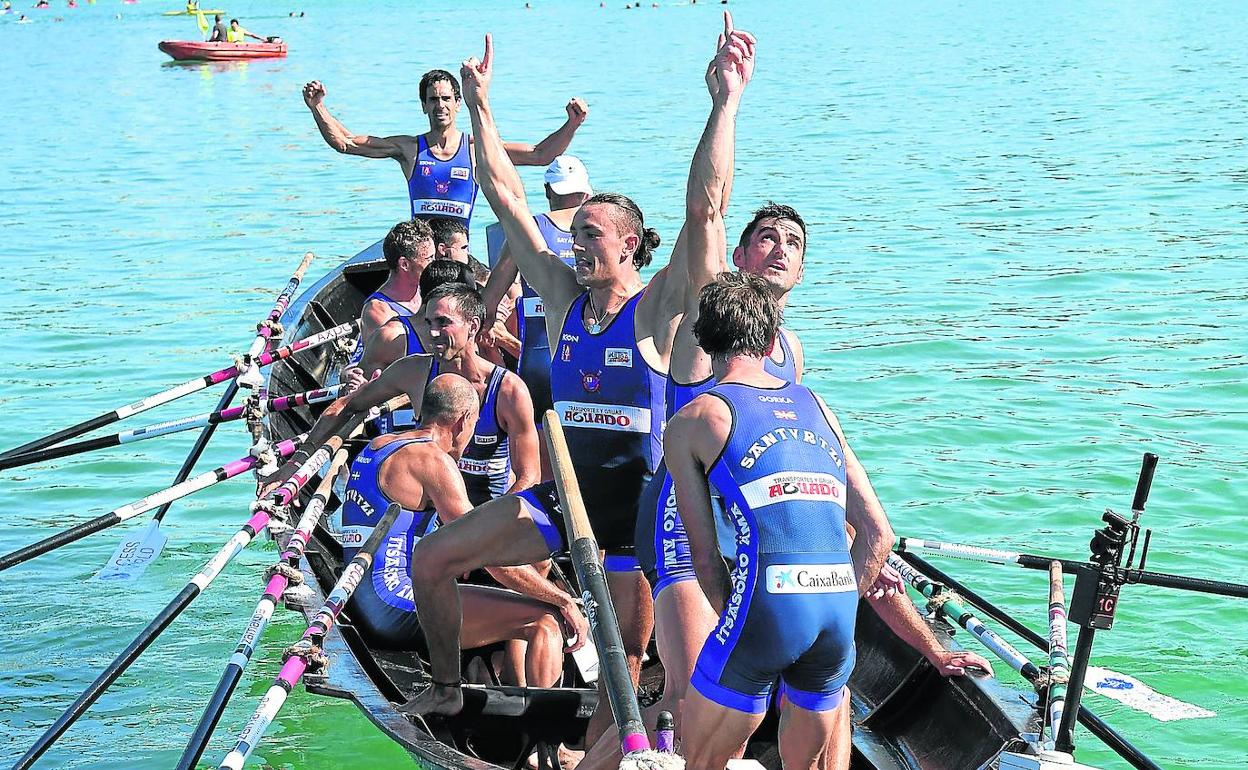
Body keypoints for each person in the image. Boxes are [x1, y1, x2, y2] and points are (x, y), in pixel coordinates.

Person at [401, 34, 695, 723]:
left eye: (590, 234)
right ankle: (447, 686)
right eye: (575, 233)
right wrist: (480, 103)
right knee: (433, 562)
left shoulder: (657, 310)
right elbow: (503, 194)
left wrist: (724, 104)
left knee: (623, 666)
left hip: (632, 524)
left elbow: (705, 209)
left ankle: (605, 739)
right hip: (563, 505)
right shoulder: (564, 303)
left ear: (627, 243)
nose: (574, 244)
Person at [664, 272, 894, 770]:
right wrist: (829, 596)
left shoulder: (694, 419)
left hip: (766, 605)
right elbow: (879, 535)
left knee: (699, 763)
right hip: (836, 608)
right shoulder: (818, 406)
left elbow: (703, 555)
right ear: (772, 343)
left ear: (704, 342)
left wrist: (745, 619)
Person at [341, 373, 573, 687]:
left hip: (360, 596)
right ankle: (542, 734)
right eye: (475, 424)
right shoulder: (434, 462)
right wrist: (562, 599)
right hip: (395, 604)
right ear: (463, 421)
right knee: (546, 620)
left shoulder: (379, 445)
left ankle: (483, 669)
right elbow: (487, 555)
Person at [302, 72, 589, 226]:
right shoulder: (409, 148)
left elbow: (540, 155)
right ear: (424, 106)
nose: (440, 105)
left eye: (446, 98)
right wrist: (318, 108)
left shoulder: (478, 148)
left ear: (457, 103)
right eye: (433, 99)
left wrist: (572, 124)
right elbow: (346, 142)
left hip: (458, 253)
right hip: (420, 254)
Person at [481, 154, 593, 478]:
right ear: (587, 194)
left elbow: (488, 304)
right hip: (587, 356)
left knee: (542, 477)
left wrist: (488, 328)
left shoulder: (530, 230)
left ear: (548, 190)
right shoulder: (597, 232)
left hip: (538, 363)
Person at [347, 219, 435, 372]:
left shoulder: (426, 289)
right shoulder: (377, 311)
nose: (435, 264)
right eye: (429, 259)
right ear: (404, 264)